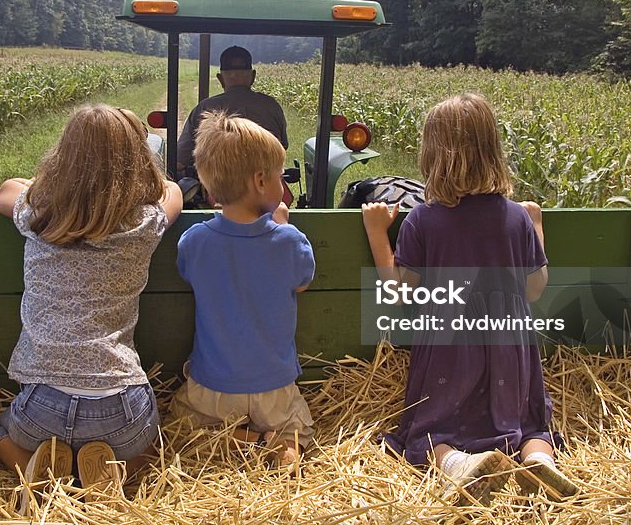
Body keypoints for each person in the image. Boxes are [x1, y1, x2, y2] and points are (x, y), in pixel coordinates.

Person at [361, 93, 577, 504]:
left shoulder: (423, 219)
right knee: (528, 422)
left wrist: (376, 234)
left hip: (449, 347)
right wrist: (536, 225)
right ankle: (538, 459)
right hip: (509, 346)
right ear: (492, 151)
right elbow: (534, 288)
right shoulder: (515, 217)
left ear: (431, 155)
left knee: (430, 426)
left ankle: (454, 463)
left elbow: (398, 291)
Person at [0, 104, 182, 499]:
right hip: (120, 408)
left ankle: (32, 467)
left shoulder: (39, 214)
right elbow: (173, 191)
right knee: (151, 447)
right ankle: (110, 473)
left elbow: (6, 190)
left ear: (64, 158)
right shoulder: (144, 223)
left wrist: (56, 188)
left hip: (41, 406)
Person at [170, 111, 315, 469]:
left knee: (181, 421)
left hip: (213, 387)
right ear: (261, 181)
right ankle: (282, 446)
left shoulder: (196, 241)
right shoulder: (289, 241)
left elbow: (189, 272)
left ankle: (245, 441)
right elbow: (303, 282)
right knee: (297, 429)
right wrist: (282, 226)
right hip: (274, 387)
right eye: (280, 177)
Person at [176, 46, 288, 172]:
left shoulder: (204, 108)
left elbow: (181, 160)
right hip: (265, 183)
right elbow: (283, 145)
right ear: (253, 77)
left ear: (220, 79)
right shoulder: (271, 106)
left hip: (217, 186)